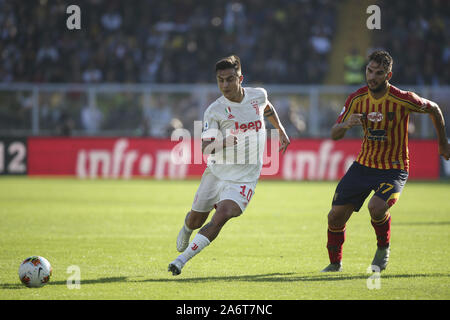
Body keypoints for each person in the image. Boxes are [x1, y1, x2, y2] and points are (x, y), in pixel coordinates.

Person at [322, 50, 450, 272]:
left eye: (379, 73)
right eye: (369, 71)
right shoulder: (357, 99)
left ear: (388, 75)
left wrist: (442, 143)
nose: (372, 77)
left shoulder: (403, 99)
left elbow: (435, 109)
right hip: (363, 166)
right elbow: (334, 134)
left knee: (377, 207)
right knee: (334, 216)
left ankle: (383, 248)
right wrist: (346, 124)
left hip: (394, 168)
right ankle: (335, 264)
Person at [168, 55, 290, 275]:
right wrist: (224, 141)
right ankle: (187, 229)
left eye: (230, 79)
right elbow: (205, 148)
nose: (225, 85)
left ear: (240, 78)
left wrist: (280, 129)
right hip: (217, 172)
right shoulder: (214, 110)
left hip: (244, 177)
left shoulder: (257, 95)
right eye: (220, 80)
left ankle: (181, 261)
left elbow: (267, 106)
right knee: (196, 220)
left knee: (223, 214)